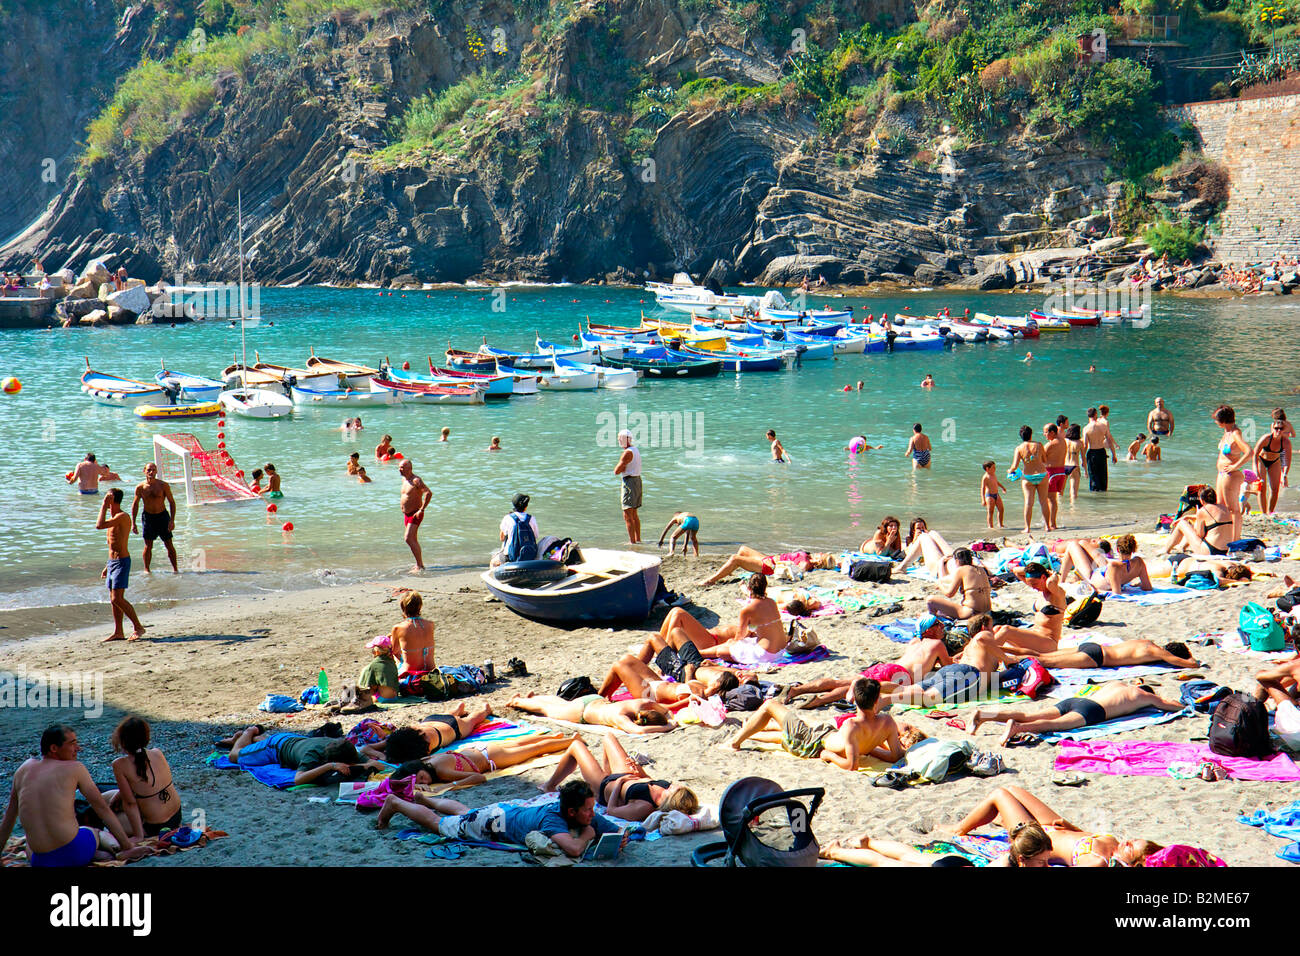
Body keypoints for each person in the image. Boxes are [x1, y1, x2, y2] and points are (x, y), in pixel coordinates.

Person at [375, 779, 626, 860]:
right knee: (440, 825)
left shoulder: (582, 811)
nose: (593, 815)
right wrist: (588, 835)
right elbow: (573, 849)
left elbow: (617, 831)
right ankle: (395, 803)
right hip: (492, 823)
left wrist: (619, 840)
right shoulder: (553, 819)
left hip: (503, 813)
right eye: (588, 811)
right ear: (571, 812)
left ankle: (424, 798)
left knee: (467, 813)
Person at [0, 725, 137, 867]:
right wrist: (128, 846)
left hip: (41, 862)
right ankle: (117, 849)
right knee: (93, 831)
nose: (78, 748)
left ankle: (96, 854)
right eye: (72, 744)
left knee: (29, 842)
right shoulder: (75, 768)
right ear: (54, 748)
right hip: (74, 852)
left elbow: (8, 819)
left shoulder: (23, 770)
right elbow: (102, 809)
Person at [949, 785, 1159, 867]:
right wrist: (1071, 826)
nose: (1127, 841)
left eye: (1131, 847)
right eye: (1133, 839)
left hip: (1035, 836)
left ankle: (958, 830)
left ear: (1133, 864)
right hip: (1054, 825)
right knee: (1013, 790)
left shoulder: (1098, 862)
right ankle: (1001, 820)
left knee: (999, 795)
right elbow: (1079, 836)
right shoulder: (1113, 843)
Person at [724, 678, 905, 770]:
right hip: (823, 735)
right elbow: (895, 756)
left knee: (770, 705)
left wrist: (828, 756)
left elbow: (852, 766)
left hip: (813, 742)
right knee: (793, 727)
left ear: (855, 702)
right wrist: (870, 748)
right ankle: (751, 731)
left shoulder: (852, 725)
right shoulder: (887, 722)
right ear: (877, 701)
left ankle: (734, 743)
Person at [969, 680, 1185, 745]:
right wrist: (1185, 707)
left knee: (1031, 714)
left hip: (1077, 700)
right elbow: (1168, 704)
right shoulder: (1142, 695)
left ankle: (984, 716)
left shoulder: (1117, 684)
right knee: (1053, 725)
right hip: (1093, 711)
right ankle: (1017, 728)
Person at [540, 733, 700, 821]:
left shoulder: (645, 807)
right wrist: (638, 770)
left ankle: (549, 785)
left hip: (603, 787)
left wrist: (619, 783)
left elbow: (611, 810)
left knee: (576, 746)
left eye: (674, 788)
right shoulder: (664, 787)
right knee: (608, 737)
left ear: (671, 798)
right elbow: (647, 779)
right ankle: (607, 770)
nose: (672, 785)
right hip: (627, 775)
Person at [390, 732, 574, 789]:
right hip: (480, 748)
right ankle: (560, 737)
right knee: (522, 742)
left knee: (535, 749)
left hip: (491, 758)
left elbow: (479, 778)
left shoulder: (441, 773)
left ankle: (571, 741)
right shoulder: (426, 760)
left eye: (421, 778)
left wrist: (447, 785)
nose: (425, 781)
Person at [98, 717, 183, 838]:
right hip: (176, 818)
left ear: (122, 741)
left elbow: (130, 804)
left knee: (106, 817)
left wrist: (139, 836)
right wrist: (117, 798)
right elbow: (145, 785)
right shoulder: (157, 752)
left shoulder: (120, 764)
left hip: (154, 827)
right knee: (105, 797)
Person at [227, 727, 384, 785]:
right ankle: (249, 732)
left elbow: (379, 765)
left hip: (293, 740)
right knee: (234, 756)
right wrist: (330, 767)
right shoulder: (313, 755)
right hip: (275, 748)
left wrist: (361, 765)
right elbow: (298, 778)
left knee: (256, 746)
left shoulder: (346, 749)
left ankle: (254, 740)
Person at [357, 703, 494, 761]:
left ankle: (486, 710)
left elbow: (364, 749)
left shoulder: (423, 749)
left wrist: (382, 757)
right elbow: (365, 748)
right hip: (431, 720)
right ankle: (458, 709)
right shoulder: (400, 737)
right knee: (450, 715)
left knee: (473, 720)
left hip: (452, 727)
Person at [97, 489, 145, 642]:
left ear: (112, 499)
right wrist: (107, 565)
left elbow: (99, 525)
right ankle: (118, 632)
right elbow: (112, 545)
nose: (104, 499)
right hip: (112, 563)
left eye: (107, 497)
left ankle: (138, 627)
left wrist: (104, 506)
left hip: (122, 562)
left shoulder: (122, 517)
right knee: (113, 600)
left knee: (118, 598)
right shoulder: (113, 518)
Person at [596, 653, 739, 704]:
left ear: (718, 682)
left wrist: (659, 708)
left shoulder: (700, 696)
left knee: (618, 666)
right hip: (658, 683)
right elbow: (687, 684)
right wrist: (689, 671)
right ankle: (607, 694)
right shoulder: (702, 687)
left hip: (649, 694)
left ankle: (599, 697)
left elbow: (674, 705)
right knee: (627, 659)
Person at [507, 691, 676, 735]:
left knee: (561, 704)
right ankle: (517, 701)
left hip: (595, 699)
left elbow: (665, 710)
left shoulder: (642, 704)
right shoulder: (622, 719)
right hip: (582, 712)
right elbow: (639, 730)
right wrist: (667, 727)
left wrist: (670, 719)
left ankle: (535, 698)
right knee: (548, 710)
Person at [991, 562, 1067, 654]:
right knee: (997, 628)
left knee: (1006, 630)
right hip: (1035, 638)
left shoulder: (1057, 594)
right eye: (1031, 584)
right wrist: (1041, 570)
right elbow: (1016, 571)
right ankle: (987, 654)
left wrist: (1052, 574)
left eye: (1035, 584)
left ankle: (988, 655)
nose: (1033, 587)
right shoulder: (1041, 592)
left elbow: (1050, 582)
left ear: (1043, 578)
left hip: (1048, 642)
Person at [1057, 533, 1152, 593]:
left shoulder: (1114, 565)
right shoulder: (1139, 562)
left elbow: (1116, 593)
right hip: (1104, 572)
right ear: (1133, 549)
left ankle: (1061, 581)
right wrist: (1137, 585)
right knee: (1084, 545)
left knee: (1072, 545)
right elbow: (1147, 587)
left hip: (1091, 577)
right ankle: (1067, 579)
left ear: (1118, 549)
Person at [697, 546, 834, 586]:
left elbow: (795, 571)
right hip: (769, 559)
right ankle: (729, 571)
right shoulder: (808, 557)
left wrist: (776, 566)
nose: (821, 552)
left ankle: (711, 580)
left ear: (820, 560)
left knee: (735, 558)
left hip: (769, 566)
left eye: (823, 554)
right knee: (743, 549)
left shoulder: (806, 562)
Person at [1155, 488, 1235, 557]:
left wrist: (1193, 526)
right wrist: (1188, 517)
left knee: (1182, 523)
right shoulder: (1224, 508)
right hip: (1224, 551)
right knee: (1197, 525)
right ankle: (1182, 547)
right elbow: (1213, 520)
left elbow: (1200, 535)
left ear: (1201, 500)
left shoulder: (1203, 511)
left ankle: (1166, 550)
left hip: (1209, 551)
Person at [1026, 639, 1197, 671]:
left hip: (1093, 646)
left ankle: (1003, 651)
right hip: (1098, 658)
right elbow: (1192, 665)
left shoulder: (1147, 642)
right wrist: (1190, 659)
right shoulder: (1158, 652)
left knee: (1041, 655)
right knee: (1045, 662)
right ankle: (1007, 659)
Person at [131, 462, 178, 574]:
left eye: (153, 470)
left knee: (169, 544)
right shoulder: (140, 487)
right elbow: (135, 504)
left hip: (162, 516)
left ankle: (175, 569)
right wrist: (133, 523)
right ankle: (147, 570)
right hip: (148, 517)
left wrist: (172, 520)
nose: (151, 472)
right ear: (144, 471)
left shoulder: (163, 485)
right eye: (149, 470)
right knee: (148, 545)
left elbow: (172, 502)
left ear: (157, 471)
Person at [1213, 404, 1251, 540]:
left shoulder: (1235, 434)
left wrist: (1235, 466)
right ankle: (1226, 536)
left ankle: (1235, 539)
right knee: (1220, 506)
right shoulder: (1227, 432)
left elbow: (1249, 452)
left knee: (1232, 509)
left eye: (1216, 420)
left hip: (1231, 474)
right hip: (1222, 473)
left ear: (1223, 421)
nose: (1215, 422)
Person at [928, 548, 992, 620]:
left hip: (972, 613)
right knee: (942, 610)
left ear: (957, 560)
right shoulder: (981, 569)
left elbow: (949, 594)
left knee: (930, 600)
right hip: (988, 613)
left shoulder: (961, 570)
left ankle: (933, 622)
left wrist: (939, 585)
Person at [1008, 425, 1049, 533]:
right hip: (1042, 475)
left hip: (1028, 477)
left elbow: (1014, 466)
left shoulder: (1019, 448)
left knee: (1028, 503)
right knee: (1044, 501)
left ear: (1021, 436)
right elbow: (1045, 460)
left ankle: (1027, 528)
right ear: (1031, 434)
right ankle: (1047, 526)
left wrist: (1009, 471)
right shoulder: (1039, 445)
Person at [390, 590, 435, 674]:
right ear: (420, 606)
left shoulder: (398, 628)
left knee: (390, 650)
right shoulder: (430, 625)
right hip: (431, 671)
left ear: (403, 607)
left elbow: (394, 651)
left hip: (410, 673)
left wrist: (391, 638)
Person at [398, 459, 432, 571]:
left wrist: (422, 510)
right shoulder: (404, 479)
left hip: (415, 513)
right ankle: (419, 564)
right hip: (406, 514)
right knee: (412, 539)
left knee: (408, 538)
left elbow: (428, 493)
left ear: (409, 468)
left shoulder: (416, 480)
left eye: (402, 467)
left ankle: (420, 565)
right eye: (399, 467)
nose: (400, 469)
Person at [1254, 417, 1292, 514]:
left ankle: (1270, 512)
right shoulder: (1266, 438)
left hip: (1275, 461)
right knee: (1262, 487)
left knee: (1275, 489)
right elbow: (1254, 455)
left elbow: (1287, 461)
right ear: (1272, 428)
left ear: (1284, 430)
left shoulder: (1286, 442)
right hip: (1261, 460)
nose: (1278, 431)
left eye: (1281, 429)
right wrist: (1256, 473)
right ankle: (1263, 513)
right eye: (1276, 428)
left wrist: (1284, 475)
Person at [492, 493, 538, 567]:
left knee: (494, 560)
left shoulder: (507, 518)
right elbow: (536, 536)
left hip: (511, 557)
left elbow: (502, 538)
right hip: (530, 555)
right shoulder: (532, 518)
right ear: (526, 507)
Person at [613, 429, 642, 544]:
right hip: (637, 480)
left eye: (620, 439)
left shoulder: (627, 453)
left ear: (625, 440)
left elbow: (617, 471)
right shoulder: (635, 450)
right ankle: (638, 539)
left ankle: (632, 542)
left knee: (627, 514)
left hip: (630, 482)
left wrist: (621, 467)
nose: (619, 441)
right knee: (634, 514)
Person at [1081, 407, 1116, 492]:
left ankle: (1095, 497)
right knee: (1103, 476)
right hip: (1101, 452)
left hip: (1092, 452)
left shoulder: (1086, 428)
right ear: (1096, 414)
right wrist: (1114, 455)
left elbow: (1085, 445)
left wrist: (1083, 459)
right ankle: (1103, 494)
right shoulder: (1103, 426)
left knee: (1093, 476)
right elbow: (1109, 441)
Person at [358, 634, 400, 701]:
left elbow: (370, 685)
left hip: (383, 699)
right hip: (395, 697)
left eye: (373, 650)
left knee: (366, 674)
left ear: (377, 652)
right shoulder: (392, 662)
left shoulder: (373, 665)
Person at [1041, 423, 1067, 531]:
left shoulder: (1050, 444)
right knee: (1054, 499)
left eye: (1046, 432)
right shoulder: (1063, 441)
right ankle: (1053, 522)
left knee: (1049, 499)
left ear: (1052, 432)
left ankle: (1050, 523)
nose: (1044, 434)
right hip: (1061, 472)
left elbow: (1041, 458)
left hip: (1052, 472)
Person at [979, 461, 1006, 529]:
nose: (995, 469)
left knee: (1001, 509)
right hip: (989, 496)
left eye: (995, 467)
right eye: (993, 467)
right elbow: (982, 488)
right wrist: (983, 499)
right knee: (990, 512)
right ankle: (990, 526)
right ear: (987, 469)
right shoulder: (985, 477)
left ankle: (1000, 524)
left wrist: (1002, 487)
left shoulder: (993, 474)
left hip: (996, 494)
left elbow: (996, 482)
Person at [1063, 423, 1085, 502]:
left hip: (1063, 466)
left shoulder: (1064, 441)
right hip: (1074, 466)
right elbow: (1083, 458)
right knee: (1073, 493)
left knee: (1059, 492)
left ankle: (1060, 509)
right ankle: (1073, 510)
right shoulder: (1080, 443)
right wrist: (1086, 471)